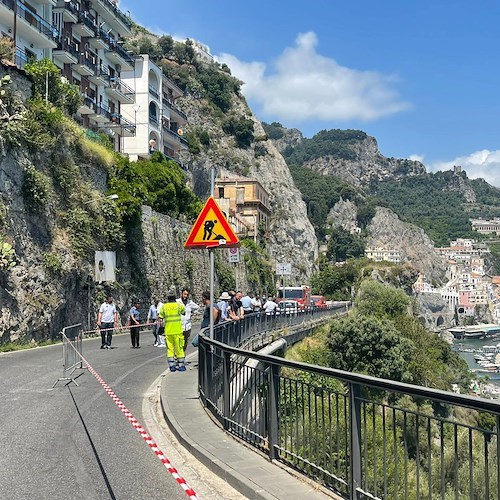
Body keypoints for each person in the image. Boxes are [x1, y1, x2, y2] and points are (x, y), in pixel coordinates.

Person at [159, 290, 186, 371]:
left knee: (170, 349)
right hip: (178, 331)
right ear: (175, 298)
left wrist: (161, 329)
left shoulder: (163, 307)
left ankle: (172, 366)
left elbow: (161, 318)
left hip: (168, 332)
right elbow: (184, 312)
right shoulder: (179, 305)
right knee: (179, 349)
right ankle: (181, 366)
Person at [176, 288, 200, 352]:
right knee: (178, 342)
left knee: (185, 342)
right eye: (184, 294)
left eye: (187, 295)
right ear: (181, 294)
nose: (185, 296)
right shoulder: (177, 302)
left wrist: (192, 313)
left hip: (188, 326)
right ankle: (178, 356)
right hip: (179, 326)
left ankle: (182, 356)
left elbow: (197, 308)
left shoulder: (190, 302)